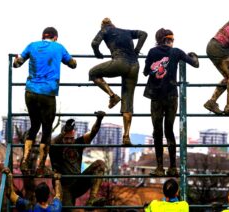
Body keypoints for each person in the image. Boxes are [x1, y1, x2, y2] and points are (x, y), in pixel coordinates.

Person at [13, 27, 77, 177]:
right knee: (47, 130)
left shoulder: (32, 45)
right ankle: (41, 166)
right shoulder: (59, 47)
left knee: (34, 125)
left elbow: (17, 63)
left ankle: (24, 160)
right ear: (55, 37)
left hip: (30, 92)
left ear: (42, 37)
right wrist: (72, 60)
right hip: (48, 93)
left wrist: (16, 61)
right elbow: (73, 64)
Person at [143, 28, 199, 177]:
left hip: (156, 96)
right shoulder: (177, 52)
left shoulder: (152, 52)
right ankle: (173, 167)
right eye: (172, 40)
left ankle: (160, 167)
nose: (172, 42)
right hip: (171, 96)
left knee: (157, 132)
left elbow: (145, 72)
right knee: (169, 130)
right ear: (168, 40)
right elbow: (195, 63)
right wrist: (193, 55)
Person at [89, 17, 147, 146]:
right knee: (128, 100)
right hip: (134, 65)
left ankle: (112, 96)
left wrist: (97, 53)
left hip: (120, 62)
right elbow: (144, 34)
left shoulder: (104, 31)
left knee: (92, 73)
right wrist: (136, 50)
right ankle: (126, 137)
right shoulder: (125, 31)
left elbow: (94, 43)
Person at [49, 111, 107, 207]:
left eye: (71, 138)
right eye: (66, 138)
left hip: (78, 182)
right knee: (68, 209)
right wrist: (63, 132)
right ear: (62, 137)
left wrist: (99, 120)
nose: (69, 141)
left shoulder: (78, 143)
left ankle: (92, 200)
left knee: (100, 164)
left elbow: (93, 132)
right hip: (64, 186)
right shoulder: (56, 147)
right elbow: (50, 145)